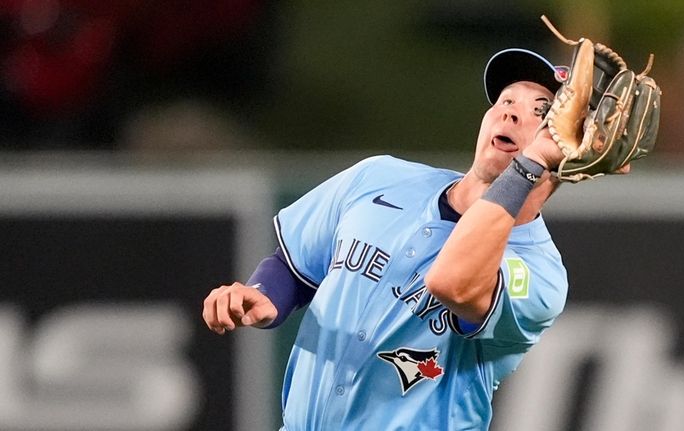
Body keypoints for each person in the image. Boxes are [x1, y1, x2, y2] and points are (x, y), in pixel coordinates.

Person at [203, 48, 573, 430]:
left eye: (540, 113)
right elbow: (295, 266)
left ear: (566, 154)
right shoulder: (379, 178)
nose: (510, 112)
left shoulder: (538, 271)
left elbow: (452, 284)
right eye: (506, 99)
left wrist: (530, 166)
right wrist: (264, 296)